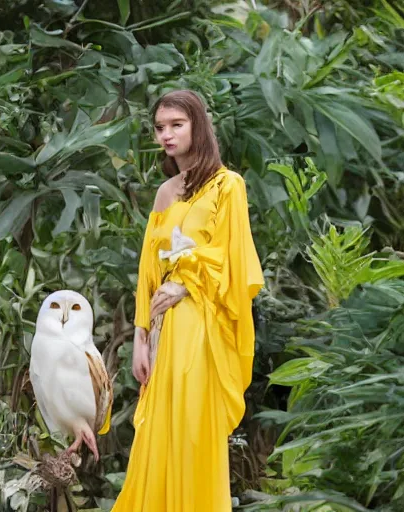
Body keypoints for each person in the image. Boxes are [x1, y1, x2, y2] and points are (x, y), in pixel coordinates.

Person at [112, 90, 264, 511]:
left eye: (177, 124)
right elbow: (148, 270)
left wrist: (188, 282)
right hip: (163, 329)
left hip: (201, 324)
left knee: (193, 429)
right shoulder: (165, 193)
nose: (166, 134)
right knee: (158, 432)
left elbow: (234, 259)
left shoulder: (226, 186)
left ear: (198, 126)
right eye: (160, 127)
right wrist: (140, 338)